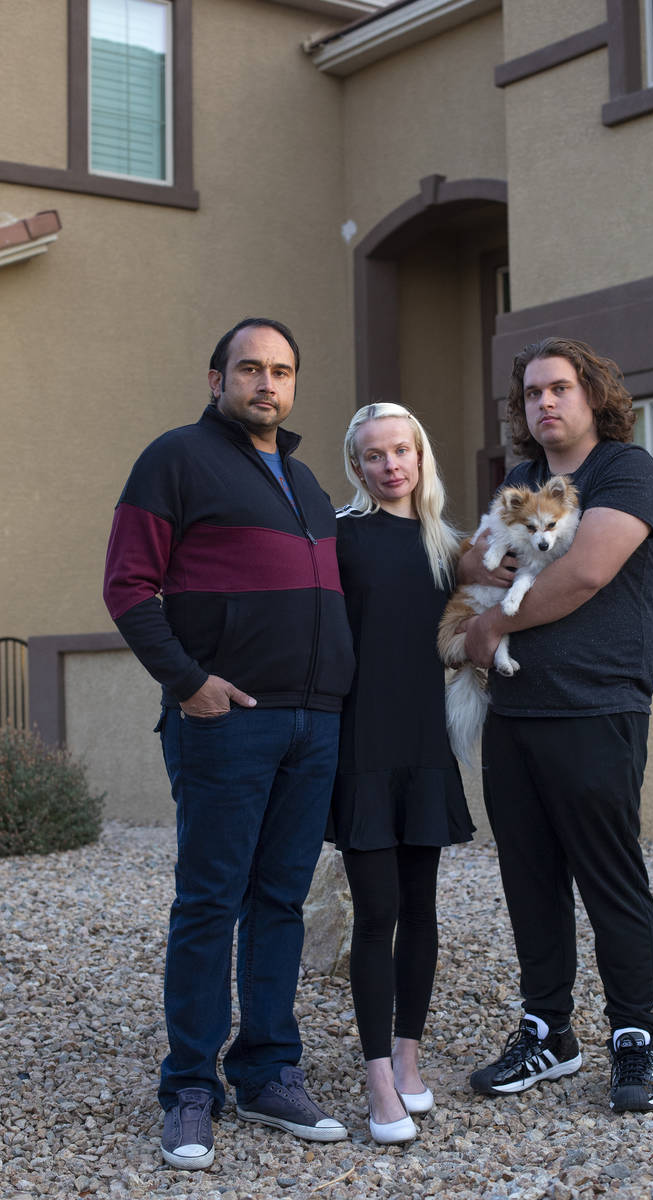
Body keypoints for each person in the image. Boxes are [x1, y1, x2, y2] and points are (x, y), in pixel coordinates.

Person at [102, 318, 355, 1170]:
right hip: (226, 721)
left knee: (282, 900)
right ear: (217, 379)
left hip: (312, 723)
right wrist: (186, 680)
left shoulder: (311, 482)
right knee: (210, 902)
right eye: (250, 368)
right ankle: (189, 1088)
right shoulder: (175, 458)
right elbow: (128, 583)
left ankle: (270, 1071)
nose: (267, 384)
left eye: (282, 371)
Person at [459, 336, 653, 1113]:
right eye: (531, 395)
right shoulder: (519, 479)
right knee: (530, 879)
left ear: (592, 396)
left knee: (610, 878)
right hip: (514, 712)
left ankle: (635, 1039)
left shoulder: (625, 471)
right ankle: (548, 1031)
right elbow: (471, 560)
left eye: (559, 389)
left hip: (596, 706)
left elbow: (585, 571)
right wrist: (476, 572)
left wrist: (489, 632)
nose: (543, 403)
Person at [329, 402, 475, 1144]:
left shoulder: (446, 545)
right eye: (375, 455)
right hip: (363, 751)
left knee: (423, 911)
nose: (391, 465)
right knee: (377, 913)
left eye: (402, 451)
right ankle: (377, 1073)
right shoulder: (339, 537)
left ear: (421, 456)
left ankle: (411, 1057)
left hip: (425, 749)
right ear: (357, 467)